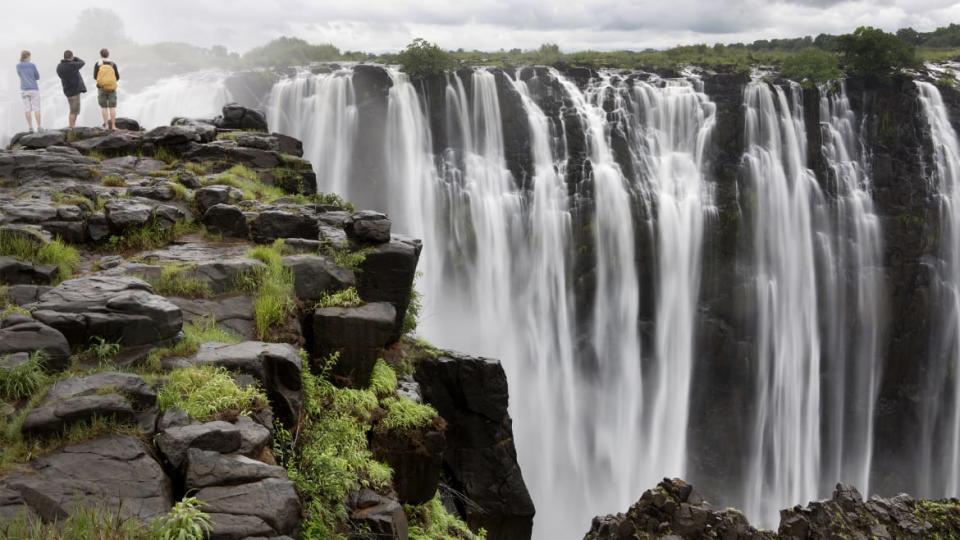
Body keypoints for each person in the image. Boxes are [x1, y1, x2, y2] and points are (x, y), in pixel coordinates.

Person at [55, 50, 86, 130]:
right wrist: (75, 58)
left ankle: (72, 126)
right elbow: (82, 62)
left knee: (73, 110)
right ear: (71, 57)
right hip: (74, 91)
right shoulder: (72, 65)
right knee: (74, 111)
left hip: (67, 90)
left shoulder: (59, 66)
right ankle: (71, 127)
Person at [93, 48, 119, 131]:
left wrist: (103, 81)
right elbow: (117, 77)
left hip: (101, 88)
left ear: (100, 55)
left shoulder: (97, 64)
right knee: (112, 107)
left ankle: (106, 126)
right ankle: (114, 126)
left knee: (104, 107)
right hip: (111, 88)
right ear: (108, 54)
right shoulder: (113, 64)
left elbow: (95, 76)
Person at [16, 50, 41, 132]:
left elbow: (20, 75)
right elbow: (37, 76)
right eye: (30, 56)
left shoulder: (18, 66)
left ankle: (30, 128)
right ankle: (39, 127)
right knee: (36, 108)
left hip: (24, 90)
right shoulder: (32, 65)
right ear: (28, 56)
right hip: (33, 89)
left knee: (27, 109)